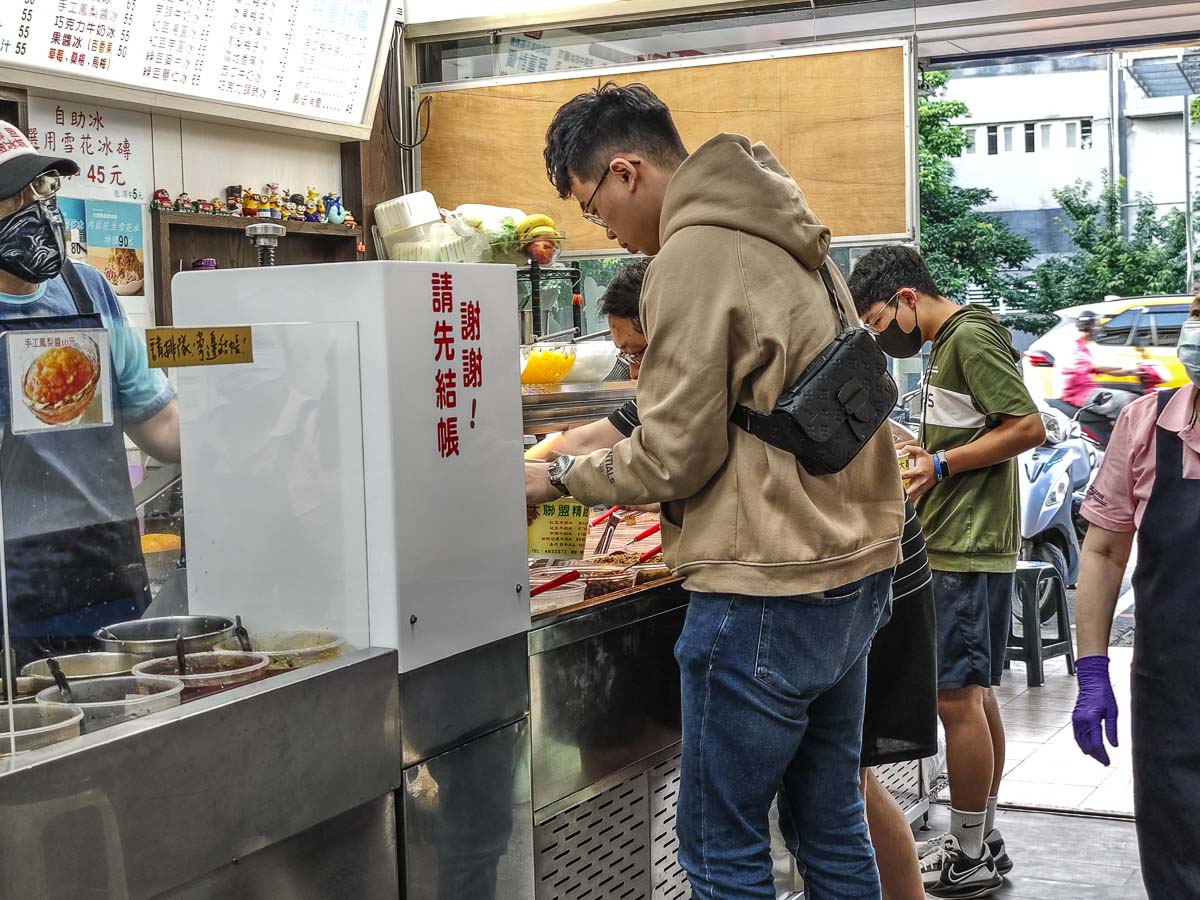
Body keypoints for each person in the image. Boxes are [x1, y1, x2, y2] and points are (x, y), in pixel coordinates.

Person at [526, 82, 905, 900]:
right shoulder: (786, 225)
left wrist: (553, 476)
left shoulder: (694, 254)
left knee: (718, 848)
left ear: (625, 172)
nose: (606, 232)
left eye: (593, 209)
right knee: (830, 823)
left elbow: (670, 458)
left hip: (766, 588)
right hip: (850, 569)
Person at [849, 245, 1044, 899]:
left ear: (907, 298)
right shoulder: (950, 345)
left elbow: (1027, 427)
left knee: (954, 700)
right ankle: (979, 839)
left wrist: (942, 467)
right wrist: (921, 454)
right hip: (960, 540)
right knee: (976, 695)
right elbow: (974, 434)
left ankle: (967, 854)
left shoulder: (968, 339)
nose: (881, 337)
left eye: (878, 320)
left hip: (966, 547)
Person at [0, 123, 179, 671]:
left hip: (107, 564)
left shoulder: (88, 289)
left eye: (42, 189)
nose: (36, 207)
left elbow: (161, 429)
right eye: (14, 194)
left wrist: (252, 422)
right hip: (12, 583)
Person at [1071, 292, 1200, 899]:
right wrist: (1091, 669)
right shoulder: (1144, 424)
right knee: (1175, 849)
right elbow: (1100, 552)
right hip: (1172, 686)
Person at [1060, 309, 1142, 418]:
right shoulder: (1072, 347)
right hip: (1079, 394)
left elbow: (1101, 370)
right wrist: (1127, 367)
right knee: (1129, 401)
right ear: (1089, 326)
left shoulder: (1083, 346)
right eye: (1096, 326)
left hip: (1090, 389)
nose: (1098, 329)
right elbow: (1096, 367)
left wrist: (1131, 372)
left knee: (1137, 398)